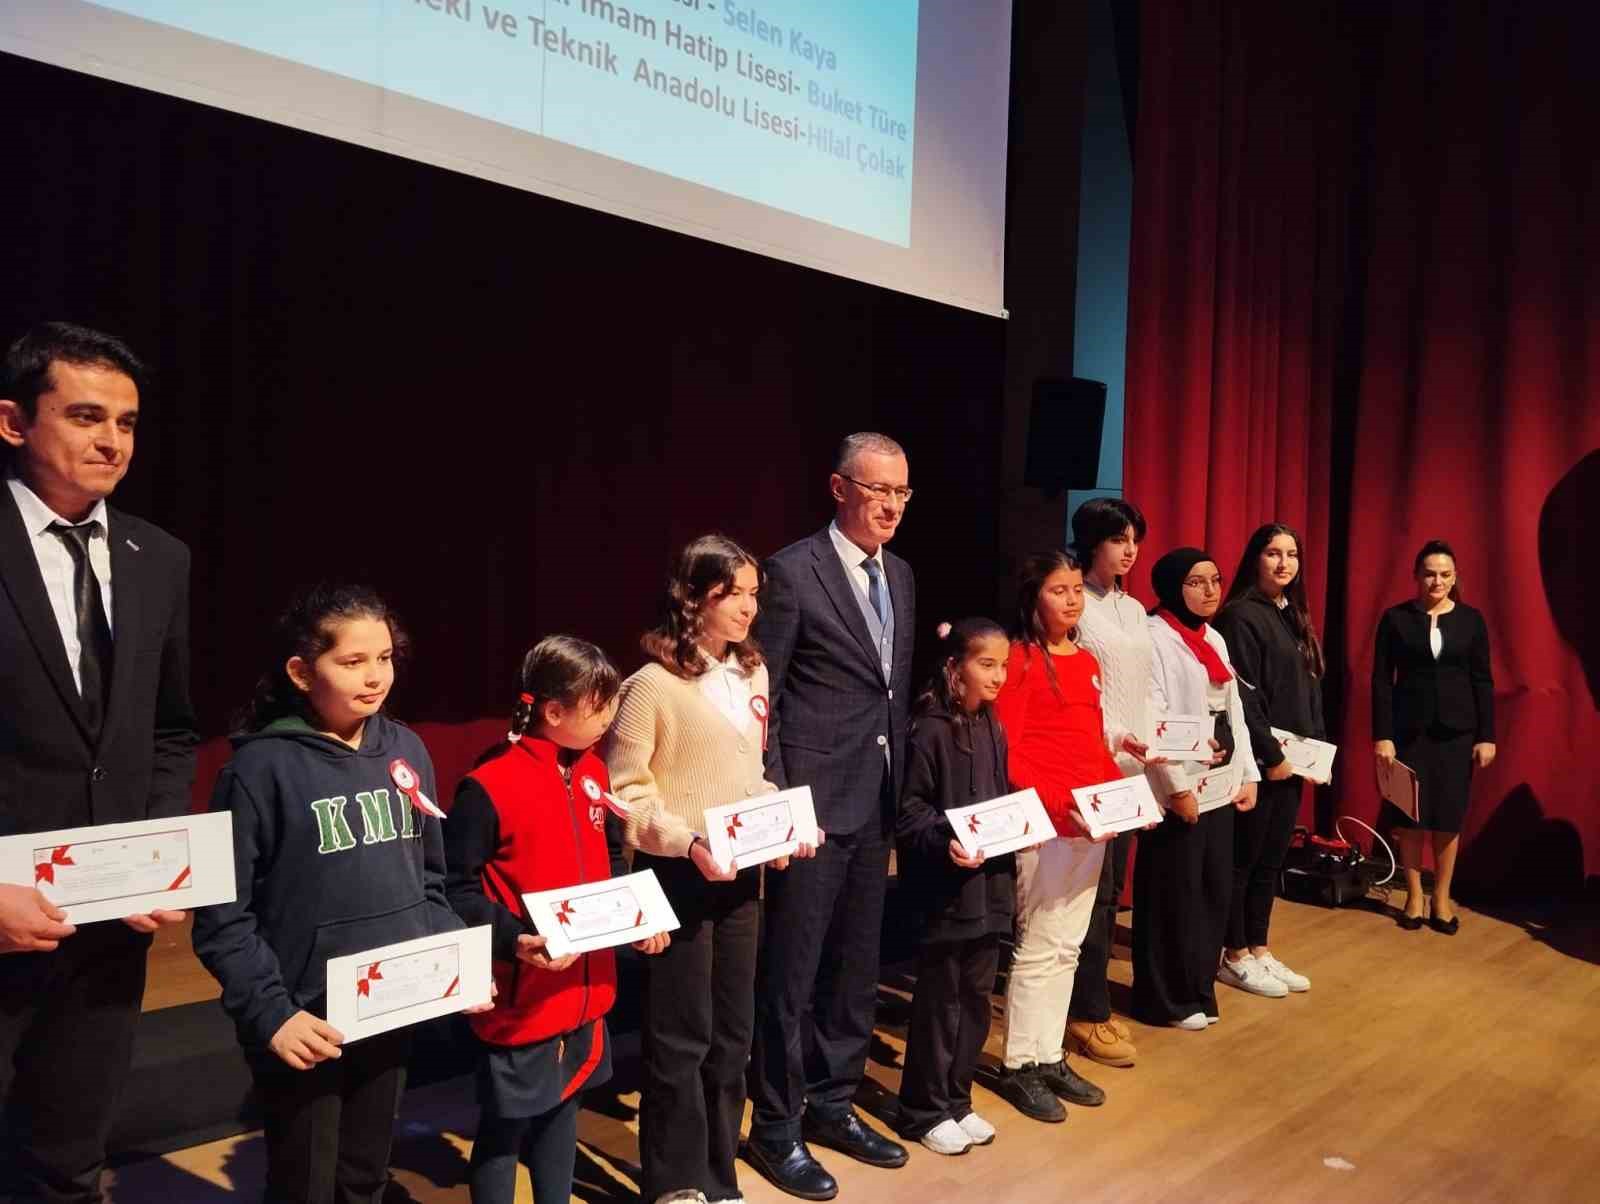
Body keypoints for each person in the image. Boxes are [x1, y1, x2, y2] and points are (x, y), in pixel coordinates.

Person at [0, 322, 198, 1203]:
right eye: (85, 416)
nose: (111, 440)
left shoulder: (159, 558)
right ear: (14, 422)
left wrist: (156, 854)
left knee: (70, 1159)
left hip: (108, 930)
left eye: (126, 421)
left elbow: (168, 730)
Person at [192, 584, 465, 1204]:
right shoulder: (257, 771)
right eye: (352, 662)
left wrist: (453, 963)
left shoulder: (408, 749)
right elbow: (220, 917)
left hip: (389, 1006)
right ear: (300, 670)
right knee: (305, 1184)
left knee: (365, 1176)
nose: (375, 677)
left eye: (386, 658)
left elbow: (428, 882)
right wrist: (272, 1014)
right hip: (304, 1019)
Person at [603, 536, 819, 1204]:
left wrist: (782, 826)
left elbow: (749, 775)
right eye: (733, 593)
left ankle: (719, 1174)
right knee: (681, 1038)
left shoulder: (752, 675)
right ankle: (674, 1182)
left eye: (755, 593)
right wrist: (689, 840)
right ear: (691, 597)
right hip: (681, 876)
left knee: (733, 1035)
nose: (748, 607)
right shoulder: (650, 686)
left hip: (740, 880)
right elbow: (627, 798)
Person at [745, 433, 914, 1200]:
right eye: (877, 489)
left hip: (875, 800)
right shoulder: (789, 572)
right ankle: (776, 1128)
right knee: (792, 974)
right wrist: (779, 805)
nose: (890, 505)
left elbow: (888, 697)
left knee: (854, 972)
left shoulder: (902, 576)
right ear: (839, 488)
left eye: (902, 493)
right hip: (809, 808)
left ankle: (834, 1103)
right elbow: (763, 700)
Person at [445, 635, 667, 1204]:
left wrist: (637, 918)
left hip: (585, 988)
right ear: (553, 711)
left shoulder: (594, 772)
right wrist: (514, 938)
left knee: (563, 1111)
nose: (611, 719)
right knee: (504, 1129)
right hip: (525, 991)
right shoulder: (488, 784)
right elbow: (455, 888)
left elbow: (611, 859)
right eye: (601, 707)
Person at [992, 551, 1151, 1125]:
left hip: (1089, 821)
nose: (1072, 600)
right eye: (1058, 590)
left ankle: (1049, 1053)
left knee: (1070, 944)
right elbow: (1010, 752)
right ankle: (1019, 1063)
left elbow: (1090, 746)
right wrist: (1063, 806)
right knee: (1038, 943)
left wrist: (1128, 801)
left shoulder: (1085, 660)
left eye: (1075, 590)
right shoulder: (1019, 660)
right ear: (1034, 597)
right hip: (1049, 821)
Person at [893, 618, 1015, 1156]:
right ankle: (922, 1109)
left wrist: (1020, 827)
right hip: (945, 891)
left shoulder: (992, 724)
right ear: (953, 667)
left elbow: (999, 796)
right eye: (986, 664)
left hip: (990, 888)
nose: (998, 677)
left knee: (976, 998)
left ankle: (958, 1100)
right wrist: (946, 840)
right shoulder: (929, 728)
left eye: (1004, 666)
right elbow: (910, 812)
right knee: (940, 1000)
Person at [1133, 549, 1259, 1029]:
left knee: (1211, 890)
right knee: (1174, 893)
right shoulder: (1155, 637)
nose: (1209, 591)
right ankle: (1165, 998)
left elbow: (1236, 712)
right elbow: (1155, 716)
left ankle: (1198, 989)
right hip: (1179, 786)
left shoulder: (1216, 638)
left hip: (1220, 783)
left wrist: (1247, 774)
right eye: (1195, 582)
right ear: (1170, 586)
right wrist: (1176, 787)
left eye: (1215, 580)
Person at [1213, 523, 1325, 998]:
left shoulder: (1290, 613)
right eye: (1273, 553)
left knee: (1270, 861)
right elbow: (1244, 697)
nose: (1284, 563)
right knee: (1246, 859)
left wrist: (1316, 755)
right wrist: (1272, 755)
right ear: (1255, 558)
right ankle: (1232, 954)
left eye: (1292, 554)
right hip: (1260, 763)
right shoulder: (1241, 616)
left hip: (1294, 761)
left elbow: (1307, 690)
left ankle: (1259, 948)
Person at [1064, 496, 1152, 1068]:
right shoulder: (1077, 604)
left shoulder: (1134, 608)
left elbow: (1140, 690)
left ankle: (1091, 1005)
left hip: (1131, 770)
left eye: (1134, 539)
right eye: (1119, 539)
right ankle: (1083, 1015)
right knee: (1084, 898)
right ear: (1092, 541)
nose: (1129, 550)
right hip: (1087, 767)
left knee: (1109, 895)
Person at [1372, 540, 1495, 935]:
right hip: (1408, 733)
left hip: (1458, 734)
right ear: (1416, 576)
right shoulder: (1395, 619)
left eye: (1444, 574)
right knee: (1409, 817)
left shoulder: (1472, 621)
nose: (1436, 580)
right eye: (1429, 573)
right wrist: (1383, 735)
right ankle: (1412, 895)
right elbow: (1381, 682)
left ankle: (1441, 898)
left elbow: (1483, 681)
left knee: (1448, 817)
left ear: (1455, 577)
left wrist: (1486, 736)